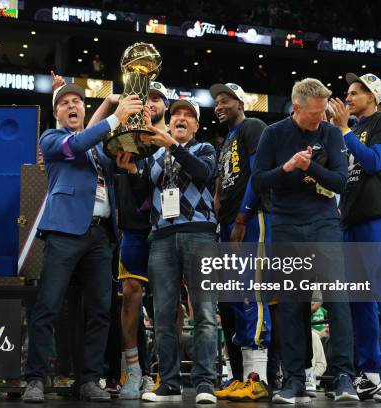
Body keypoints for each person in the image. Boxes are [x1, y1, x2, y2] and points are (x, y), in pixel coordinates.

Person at [22, 83, 142, 403]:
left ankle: (90, 379)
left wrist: (118, 116)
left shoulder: (97, 149)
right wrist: (114, 115)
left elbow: (100, 143)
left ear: (84, 110)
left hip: (101, 236)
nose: (72, 105)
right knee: (47, 306)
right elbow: (79, 141)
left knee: (101, 311)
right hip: (64, 232)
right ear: (57, 112)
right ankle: (35, 378)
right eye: (65, 103)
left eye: (78, 101)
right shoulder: (51, 139)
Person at [252, 78, 357, 403]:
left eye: (323, 111)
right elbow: (258, 181)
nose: (320, 119)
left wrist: (309, 166)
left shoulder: (330, 132)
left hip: (324, 223)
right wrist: (286, 167)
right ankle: (294, 378)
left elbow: (341, 182)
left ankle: (344, 377)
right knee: (291, 304)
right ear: (296, 107)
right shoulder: (274, 133)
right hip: (284, 225)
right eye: (314, 113)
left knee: (337, 300)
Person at [118, 99, 218, 404]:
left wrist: (173, 145)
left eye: (189, 116)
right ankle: (170, 384)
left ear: (197, 126)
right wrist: (133, 171)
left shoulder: (205, 149)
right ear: (170, 120)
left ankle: (204, 383)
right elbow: (142, 198)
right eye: (177, 115)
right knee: (162, 315)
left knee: (203, 313)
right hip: (161, 236)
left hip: (200, 235)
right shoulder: (155, 155)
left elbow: (203, 174)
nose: (182, 118)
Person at [329, 72, 381, 403]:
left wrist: (345, 131)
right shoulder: (348, 132)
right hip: (349, 219)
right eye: (347, 92)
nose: (347, 97)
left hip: (380, 216)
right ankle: (371, 374)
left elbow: (375, 162)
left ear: (372, 96)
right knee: (360, 303)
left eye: (354, 93)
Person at [210, 82, 271, 401]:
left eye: (225, 101)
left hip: (249, 221)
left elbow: (259, 173)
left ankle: (257, 377)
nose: (219, 106)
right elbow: (223, 182)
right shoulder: (227, 139)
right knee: (236, 298)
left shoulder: (253, 126)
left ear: (240, 102)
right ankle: (244, 376)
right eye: (216, 102)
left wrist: (242, 218)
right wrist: (220, 202)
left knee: (252, 293)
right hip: (228, 224)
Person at [116, 81, 169, 400]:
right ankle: (133, 369)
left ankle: (166, 370)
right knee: (131, 295)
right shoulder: (124, 136)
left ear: (165, 104)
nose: (150, 103)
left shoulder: (175, 139)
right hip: (134, 228)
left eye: (157, 98)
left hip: (167, 230)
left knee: (169, 301)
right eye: (145, 98)